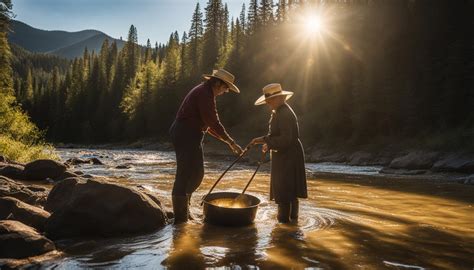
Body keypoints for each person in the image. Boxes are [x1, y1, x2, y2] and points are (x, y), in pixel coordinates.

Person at [169, 69, 243, 224]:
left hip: (191, 134)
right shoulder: (204, 93)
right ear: (217, 83)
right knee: (184, 173)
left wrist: (228, 142)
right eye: (225, 88)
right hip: (185, 133)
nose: (225, 92)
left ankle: (184, 209)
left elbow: (209, 126)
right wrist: (231, 142)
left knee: (197, 174)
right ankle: (180, 220)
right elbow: (213, 122)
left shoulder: (206, 92)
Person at [250, 83, 307, 223]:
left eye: (270, 100)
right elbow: (278, 135)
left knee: (284, 192)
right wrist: (267, 143)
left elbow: (285, 139)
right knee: (290, 192)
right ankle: (293, 226)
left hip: (288, 157)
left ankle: (283, 227)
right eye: (267, 101)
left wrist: (264, 140)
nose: (268, 103)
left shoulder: (284, 113)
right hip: (287, 155)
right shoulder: (280, 111)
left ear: (280, 98)